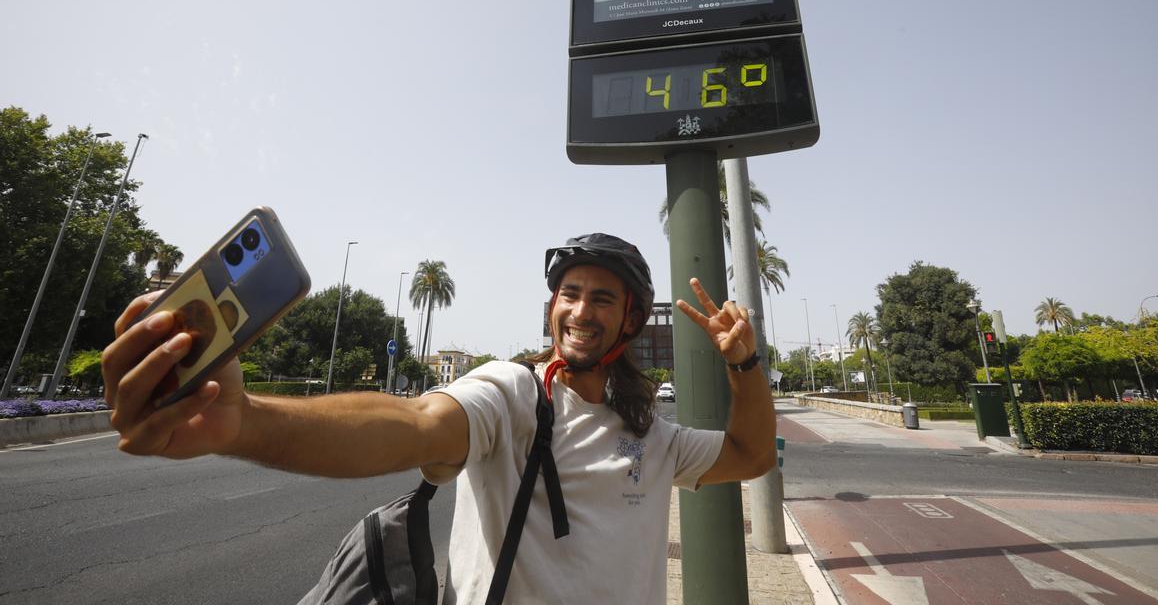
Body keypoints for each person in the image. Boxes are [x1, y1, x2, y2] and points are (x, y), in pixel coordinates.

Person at [102, 233, 775, 603]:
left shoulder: (651, 434)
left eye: (602, 298)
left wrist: (744, 366)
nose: (580, 311)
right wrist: (245, 422)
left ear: (629, 319)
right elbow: (415, 425)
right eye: (569, 294)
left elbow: (752, 454)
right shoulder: (513, 395)